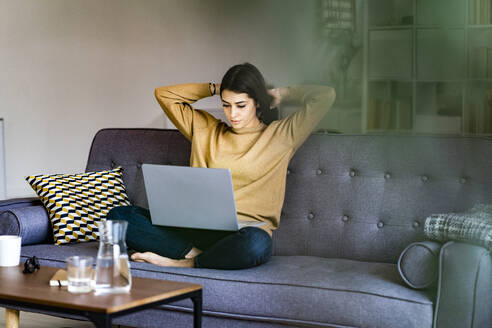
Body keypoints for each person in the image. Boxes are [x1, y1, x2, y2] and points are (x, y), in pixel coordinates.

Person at [107, 63, 336, 269]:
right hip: (195, 227)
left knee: (257, 245)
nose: (232, 114)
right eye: (226, 104)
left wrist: (280, 93)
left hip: (243, 233)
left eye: (241, 105)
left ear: (256, 102)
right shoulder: (206, 129)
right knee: (119, 215)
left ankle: (182, 263)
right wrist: (217, 88)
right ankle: (199, 256)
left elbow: (326, 95)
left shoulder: (282, 135)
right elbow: (164, 95)